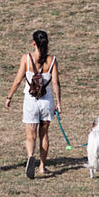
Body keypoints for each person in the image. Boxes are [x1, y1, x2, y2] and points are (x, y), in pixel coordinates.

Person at [14, 29, 64, 178]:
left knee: (30, 135)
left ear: (33, 43)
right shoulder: (52, 60)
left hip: (31, 102)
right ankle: (42, 166)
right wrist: (59, 102)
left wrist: (9, 97)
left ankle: (30, 155)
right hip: (46, 102)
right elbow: (55, 83)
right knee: (44, 135)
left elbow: (17, 80)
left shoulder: (27, 58)